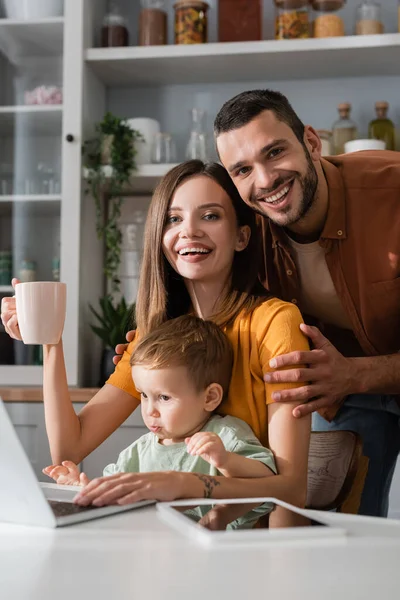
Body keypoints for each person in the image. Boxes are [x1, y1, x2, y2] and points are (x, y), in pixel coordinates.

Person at [1, 160, 310, 506]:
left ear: (242, 236)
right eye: (174, 219)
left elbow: (291, 489)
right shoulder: (156, 340)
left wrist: (183, 484)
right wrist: (49, 340)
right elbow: (68, 448)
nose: (188, 232)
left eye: (210, 216)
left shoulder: (274, 323)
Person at [212, 88, 400, 517]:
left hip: (351, 375)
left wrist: (356, 373)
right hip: (342, 391)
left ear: (311, 143)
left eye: (274, 152)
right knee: (331, 526)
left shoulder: (393, 190)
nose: (264, 180)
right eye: (242, 170)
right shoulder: (250, 230)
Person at [43, 315, 276, 505]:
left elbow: (268, 479)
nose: (149, 410)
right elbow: (112, 494)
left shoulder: (225, 435)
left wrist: (225, 460)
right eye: (144, 395)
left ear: (210, 397)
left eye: (164, 397)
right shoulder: (140, 451)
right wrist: (80, 488)